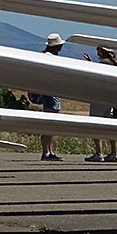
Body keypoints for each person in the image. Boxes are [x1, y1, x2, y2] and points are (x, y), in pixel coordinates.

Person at [82, 46, 117, 163]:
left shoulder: (103, 63)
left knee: (95, 125)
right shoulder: (113, 64)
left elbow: (96, 77)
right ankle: (114, 152)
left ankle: (99, 152)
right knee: (110, 126)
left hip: (99, 98)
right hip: (110, 99)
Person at [38, 33, 65, 161]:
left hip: (51, 91)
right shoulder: (50, 58)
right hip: (50, 91)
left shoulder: (50, 56)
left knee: (51, 121)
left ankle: (48, 150)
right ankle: (46, 151)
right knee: (49, 121)